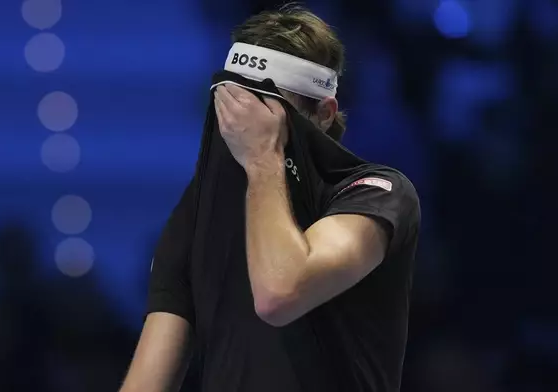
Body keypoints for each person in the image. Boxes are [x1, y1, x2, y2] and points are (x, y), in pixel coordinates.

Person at [121, 5, 420, 392]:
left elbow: (280, 294)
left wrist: (263, 159)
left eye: (264, 108)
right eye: (233, 104)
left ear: (324, 113)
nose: (241, 126)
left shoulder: (376, 193)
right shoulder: (199, 215)